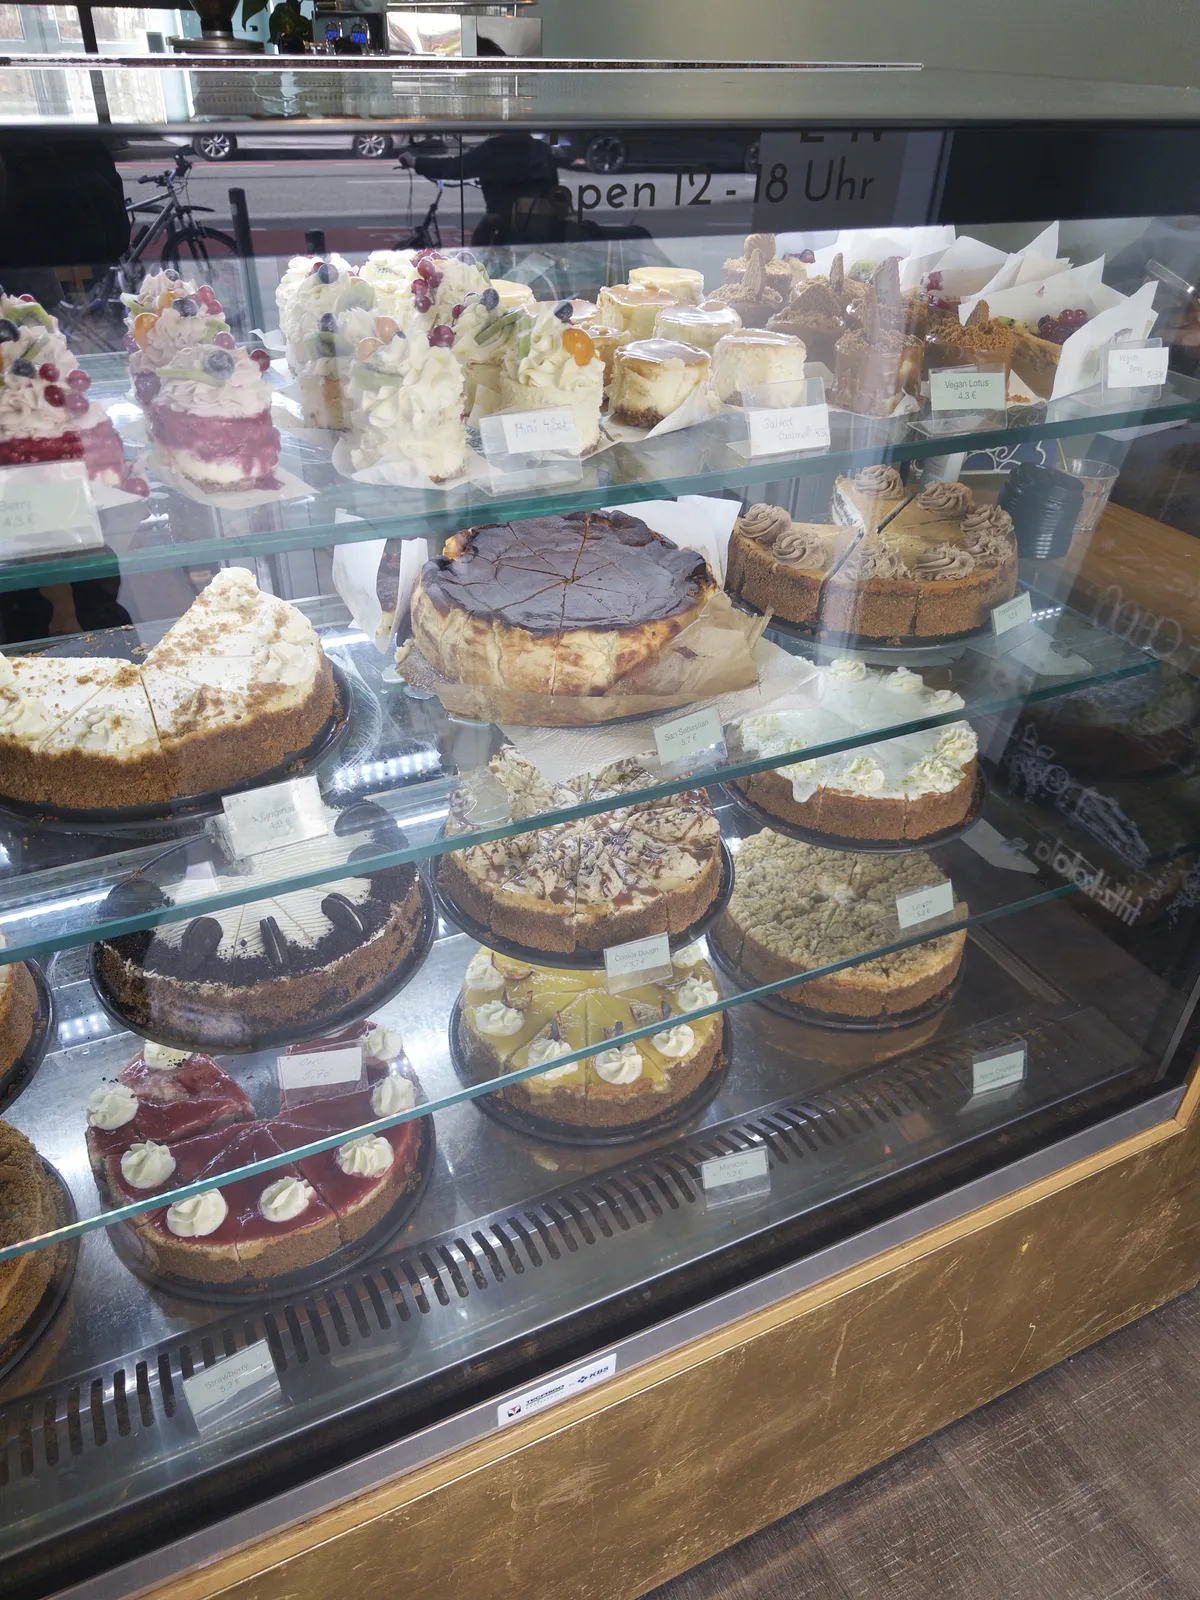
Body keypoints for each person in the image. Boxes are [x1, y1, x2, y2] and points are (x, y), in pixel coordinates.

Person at [400, 131, 559, 246]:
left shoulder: (493, 149)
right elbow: (554, 188)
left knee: (477, 256)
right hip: (541, 225)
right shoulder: (541, 149)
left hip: (503, 224)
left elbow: (455, 167)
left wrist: (417, 163)